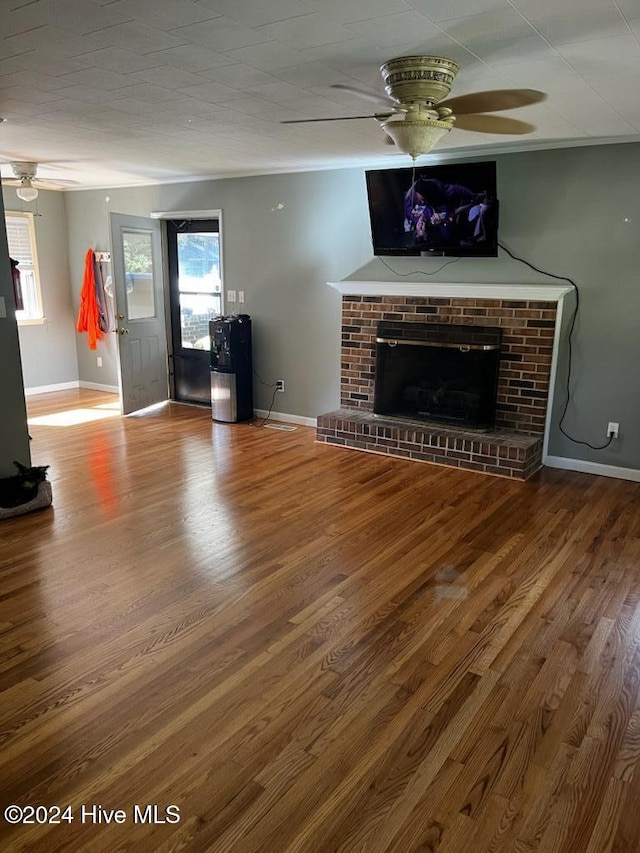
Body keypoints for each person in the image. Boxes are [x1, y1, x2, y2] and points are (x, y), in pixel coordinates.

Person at [403, 178, 491, 247]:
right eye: (422, 228)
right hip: (447, 220)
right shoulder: (436, 227)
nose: (421, 225)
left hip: (445, 210)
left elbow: (455, 190)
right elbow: (451, 214)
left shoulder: (437, 188)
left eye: (419, 228)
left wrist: (472, 195)